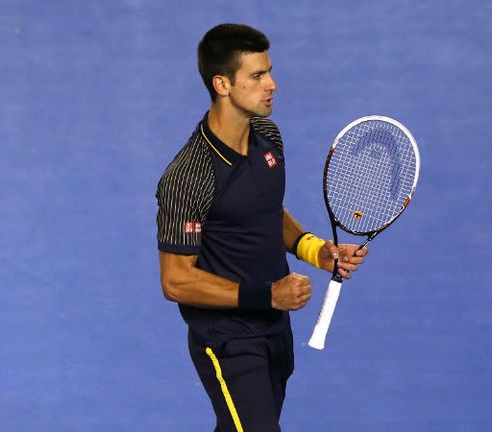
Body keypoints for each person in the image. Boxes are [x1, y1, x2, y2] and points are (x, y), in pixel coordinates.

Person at [156, 23, 368, 432]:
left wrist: (314, 249)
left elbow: (266, 211)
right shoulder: (189, 176)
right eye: (256, 76)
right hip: (227, 341)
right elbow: (176, 282)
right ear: (222, 84)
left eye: (269, 71)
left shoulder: (268, 136)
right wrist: (267, 294)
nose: (272, 84)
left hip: (274, 327)